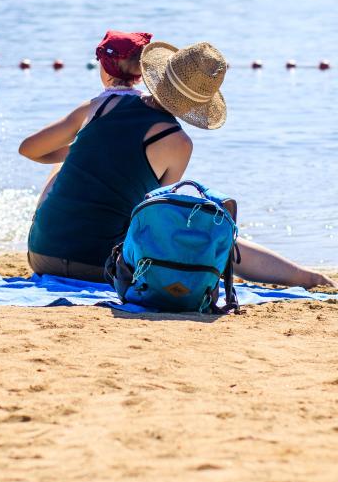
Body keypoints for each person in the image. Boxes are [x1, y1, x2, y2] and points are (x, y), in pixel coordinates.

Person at [19, 30, 334, 289]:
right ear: (200, 102)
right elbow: (154, 217)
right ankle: (307, 278)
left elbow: (28, 148)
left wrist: (82, 154)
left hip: (43, 254)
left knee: (65, 168)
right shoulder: (179, 143)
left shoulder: (100, 107)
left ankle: (305, 277)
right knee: (209, 232)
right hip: (101, 267)